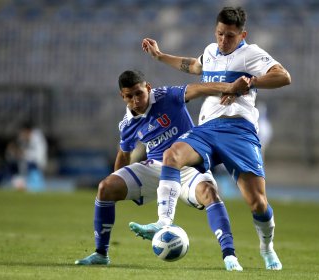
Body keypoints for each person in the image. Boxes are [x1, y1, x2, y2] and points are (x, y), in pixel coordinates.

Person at [130, 7, 291, 271]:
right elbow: (194, 65)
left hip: (239, 131)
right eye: (219, 34)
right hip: (207, 128)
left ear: (242, 35)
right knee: (172, 155)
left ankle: (267, 247)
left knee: (257, 203)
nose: (223, 40)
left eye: (229, 35)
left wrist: (249, 83)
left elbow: (283, 76)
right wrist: (159, 56)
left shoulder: (251, 54)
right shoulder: (211, 51)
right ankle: (163, 221)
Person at [75, 70, 251, 271]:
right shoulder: (127, 125)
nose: (135, 100)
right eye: (129, 96)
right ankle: (100, 253)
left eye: (139, 93)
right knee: (105, 187)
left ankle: (230, 256)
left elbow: (199, 89)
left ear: (148, 88)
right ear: (122, 96)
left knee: (209, 193)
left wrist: (229, 88)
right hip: (155, 168)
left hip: (188, 165)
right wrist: (118, 183)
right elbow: (124, 155)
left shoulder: (167, 96)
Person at [0, 121, 48, 190]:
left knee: (24, 167)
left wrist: (23, 154)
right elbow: (13, 152)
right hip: (23, 163)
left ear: (28, 131)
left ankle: (21, 183)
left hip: (35, 164)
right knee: (10, 167)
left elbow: (39, 157)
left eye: (24, 132)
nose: (22, 134)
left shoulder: (38, 139)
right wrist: (13, 151)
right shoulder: (22, 139)